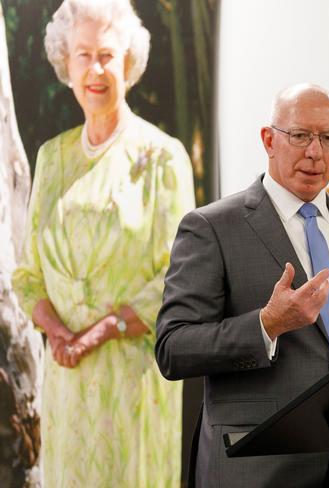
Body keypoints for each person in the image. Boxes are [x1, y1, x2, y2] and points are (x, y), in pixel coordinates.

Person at [155, 83, 329, 487]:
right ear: (269, 140)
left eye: (328, 138)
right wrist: (266, 325)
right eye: (300, 135)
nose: (314, 152)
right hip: (256, 465)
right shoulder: (212, 227)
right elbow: (173, 349)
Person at [11, 0, 194, 485]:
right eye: (83, 55)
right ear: (65, 65)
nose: (96, 69)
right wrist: (60, 334)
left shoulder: (163, 156)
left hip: (132, 383)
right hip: (67, 386)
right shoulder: (51, 158)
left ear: (128, 62)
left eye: (107, 55)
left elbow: (177, 280)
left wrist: (98, 332)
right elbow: (28, 276)